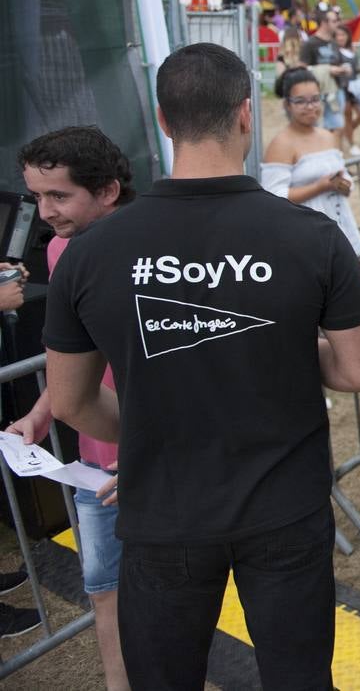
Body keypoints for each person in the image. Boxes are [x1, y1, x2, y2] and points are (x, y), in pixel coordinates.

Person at [42, 43, 360, 690]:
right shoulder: (310, 237)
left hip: (163, 511)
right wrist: (268, 340)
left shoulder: (90, 253)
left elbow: (70, 403)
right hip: (283, 509)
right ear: (246, 116)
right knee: (298, 678)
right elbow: (359, 371)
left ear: (164, 121)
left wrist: (147, 428)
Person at [9, 126, 133, 687]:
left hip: (163, 459)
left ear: (107, 190)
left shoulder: (152, 251)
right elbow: (74, 355)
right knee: (105, 591)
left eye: (58, 196)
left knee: (180, 592)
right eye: (36, 196)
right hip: (93, 463)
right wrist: (43, 410)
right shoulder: (61, 249)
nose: (44, 213)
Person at [262, 69, 360, 251]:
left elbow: (343, 175)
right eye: (300, 101)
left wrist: (343, 184)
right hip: (305, 231)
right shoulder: (281, 144)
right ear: (287, 104)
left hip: (341, 223)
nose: (310, 106)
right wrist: (319, 187)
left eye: (315, 99)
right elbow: (273, 196)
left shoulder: (328, 136)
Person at [300, 7, 354, 135]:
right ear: (324, 22)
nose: (338, 24)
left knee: (336, 125)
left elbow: (338, 62)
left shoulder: (334, 43)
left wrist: (344, 69)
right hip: (316, 91)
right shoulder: (310, 44)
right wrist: (326, 70)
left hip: (335, 90)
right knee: (314, 127)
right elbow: (302, 68)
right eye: (334, 21)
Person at [333, 24, 360, 155]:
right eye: (338, 35)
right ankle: (351, 143)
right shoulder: (334, 52)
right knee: (347, 115)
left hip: (354, 87)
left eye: (343, 35)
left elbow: (354, 69)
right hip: (342, 88)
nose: (341, 38)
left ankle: (344, 134)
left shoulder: (352, 51)